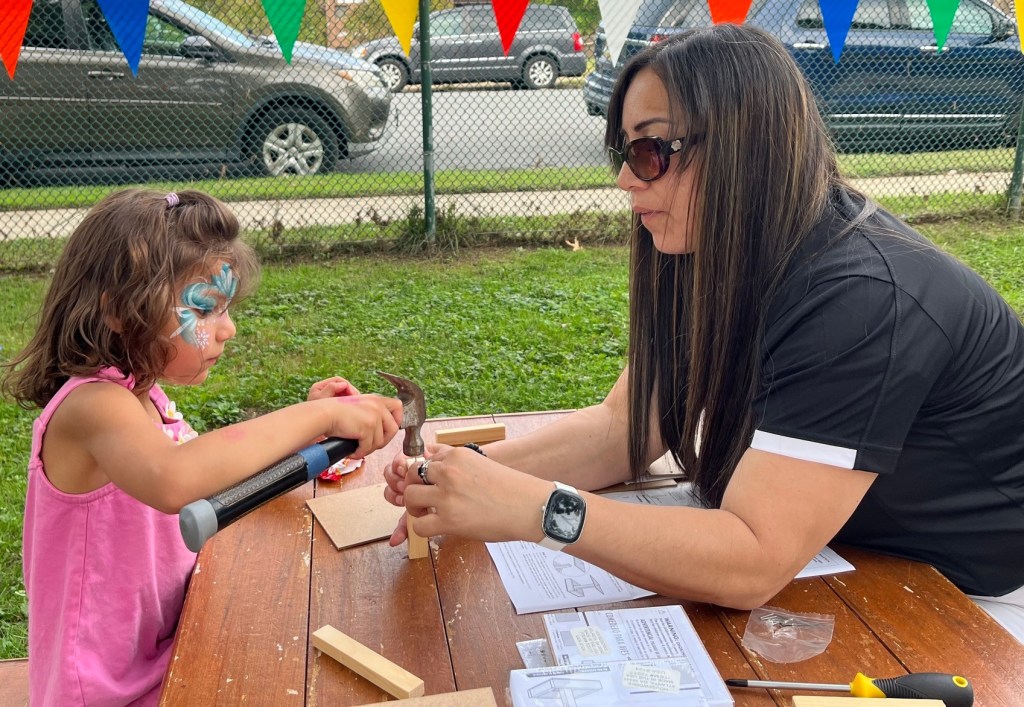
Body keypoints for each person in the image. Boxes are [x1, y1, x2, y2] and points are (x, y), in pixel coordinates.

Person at [383, 24, 1024, 643]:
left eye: (650, 152)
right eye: (625, 151)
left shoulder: (861, 298)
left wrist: (538, 510)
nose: (625, 179)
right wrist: (465, 476)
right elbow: (625, 429)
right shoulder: (707, 245)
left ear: (744, 149)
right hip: (850, 557)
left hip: (978, 598)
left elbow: (752, 560)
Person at [1, 189, 403, 705]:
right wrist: (319, 417)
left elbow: (212, 473)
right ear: (119, 311)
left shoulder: (146, 396)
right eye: (204, 309)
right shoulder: (91, 407)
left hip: (170, 650)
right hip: (103, 692)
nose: (227, 329)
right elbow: (175, 478)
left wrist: (306, 434)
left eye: (226, 308)